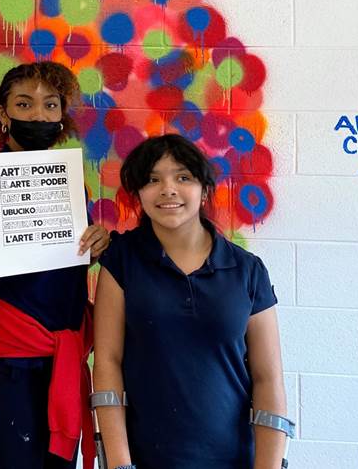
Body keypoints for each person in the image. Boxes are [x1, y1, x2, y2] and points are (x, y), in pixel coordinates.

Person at [0, 61, 112, 469]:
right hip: (8, 371)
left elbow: (58, 270)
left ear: (62, 115)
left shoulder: (71, 186)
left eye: (50, 106)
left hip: (64, 370)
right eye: (24, 104)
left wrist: (97, 244)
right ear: (3, 114)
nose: (38, 115)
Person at [92, 134, 287, 469]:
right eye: (153, 180)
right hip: (143, 458)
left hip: (233, 458)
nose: (168, 189)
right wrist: (119, 463)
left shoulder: (247, 270)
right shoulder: (122, 260)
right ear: (139, 192)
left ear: (204, 189)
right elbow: (107, 361)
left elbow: (268, 378)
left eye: (183, 177)